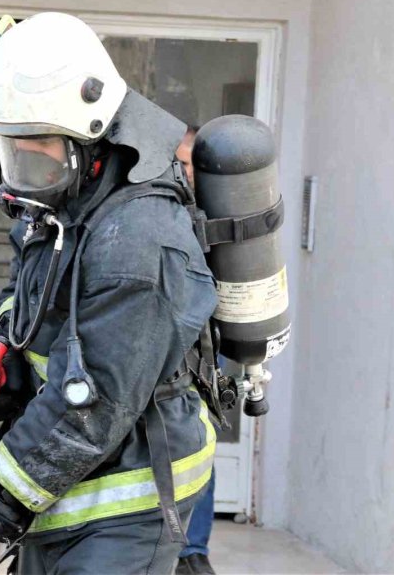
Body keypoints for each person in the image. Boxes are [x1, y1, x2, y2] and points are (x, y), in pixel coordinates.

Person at [0, 12, 218, 574]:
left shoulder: (139, 244)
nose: (24, 170)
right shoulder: (68, 204)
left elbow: (88, 409)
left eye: (38, 148)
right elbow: (27, 304)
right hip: (70, 494)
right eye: (13, 151)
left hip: (127, 501)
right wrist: (11, 369)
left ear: (89, 138)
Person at [173, 126, 217, 575]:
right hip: (168, 339)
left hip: (205, 346)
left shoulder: (217, 214)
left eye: (188, 162)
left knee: (199, 439)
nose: (181, 170)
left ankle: (192, 553)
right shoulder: (159, 211)